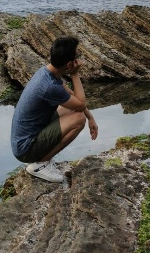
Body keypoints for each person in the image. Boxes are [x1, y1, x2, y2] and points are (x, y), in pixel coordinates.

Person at [10, 35, 98, 183]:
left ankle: (41, 159)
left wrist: (91, 117)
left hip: (28, 137)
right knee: (78, 119)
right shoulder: (49, 86)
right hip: (26, 148)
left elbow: (73, 97)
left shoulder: (46, 73)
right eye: (77, 56)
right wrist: (75, 74)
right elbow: (81, 104)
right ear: (69, 64)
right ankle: (40, 164)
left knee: (74, 111)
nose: (79, 60)